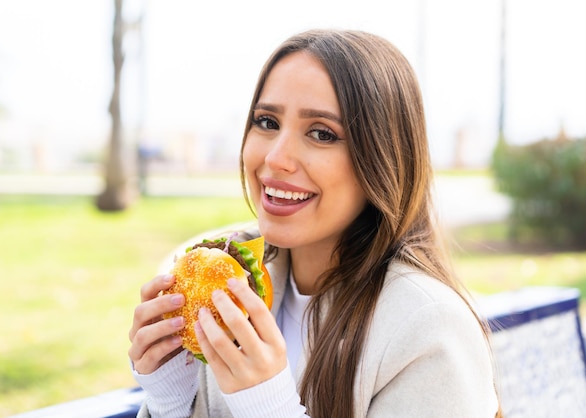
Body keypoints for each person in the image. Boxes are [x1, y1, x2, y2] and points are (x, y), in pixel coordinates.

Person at [128, 29, 502, 417]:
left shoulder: (430, 329)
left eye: (322, 133)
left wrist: (268, 407)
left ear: (383, 158)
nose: (276, 157)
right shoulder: (230, 283)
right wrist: (170, 401)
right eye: (267, 122)